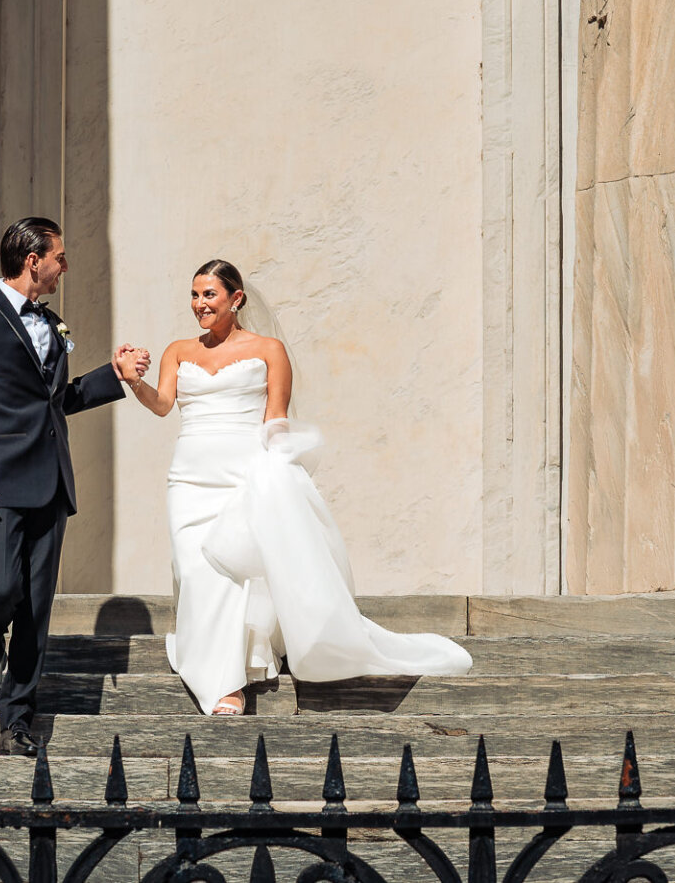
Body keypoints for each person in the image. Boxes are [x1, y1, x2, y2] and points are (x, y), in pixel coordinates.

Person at [126, 259, 471, 715]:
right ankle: (211, 663)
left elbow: (276, 421)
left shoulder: (269, 350)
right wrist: (135, 382)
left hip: (242, 474)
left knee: (230, 573)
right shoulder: (177, 351)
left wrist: (278, 475)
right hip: (189, 478)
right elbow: (163, 404)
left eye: (209, 294)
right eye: (194, 295)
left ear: (236, 298)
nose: (199, 304)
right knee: (195, 570)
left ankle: (227, 682)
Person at [0, 217, 150, 756]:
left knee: (35, 607)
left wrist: (114, 374)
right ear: (34, 260)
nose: (65, 267)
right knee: (3, 589)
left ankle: (18, 719)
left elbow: (56, 400)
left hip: (50, 483)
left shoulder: (53, 323)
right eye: (60, 257)